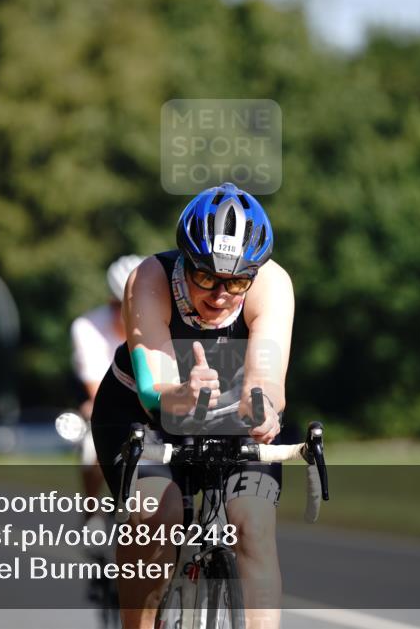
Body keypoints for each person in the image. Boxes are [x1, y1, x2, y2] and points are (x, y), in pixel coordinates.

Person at [91, 183, 294, 629]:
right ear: (184, 261)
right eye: (206, 276)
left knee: (253, 524)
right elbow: (154, 387)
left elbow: (266, 376)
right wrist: (181, 396)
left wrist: (260, 406)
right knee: (156, 514)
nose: (221, 294)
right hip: (141, 412)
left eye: (237, 281)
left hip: (231, 414)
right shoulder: (150, 278)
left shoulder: (273, 284)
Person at [72, 254, 144, 503]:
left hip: (151, 400)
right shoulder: (87, 327)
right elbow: (97, 391)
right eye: (120, 306)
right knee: (91, 447)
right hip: (108, 399)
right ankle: (91, 508)